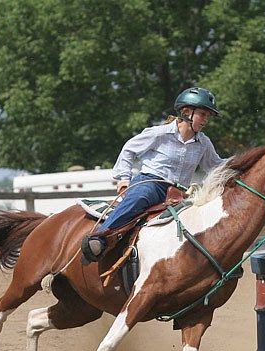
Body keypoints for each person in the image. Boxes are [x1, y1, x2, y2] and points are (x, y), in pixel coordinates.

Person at [81, 87, 226, 263]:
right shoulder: (159, 133)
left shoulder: (204, 143)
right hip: (151, 183)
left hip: (180, 194)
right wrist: (124, 179)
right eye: (202, 114)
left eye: (208, 116)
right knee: (140, 197)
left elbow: (216, 166)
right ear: (186, 112)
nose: (205, 120)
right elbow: (129, 150)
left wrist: (243, 164)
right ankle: (100, 239)